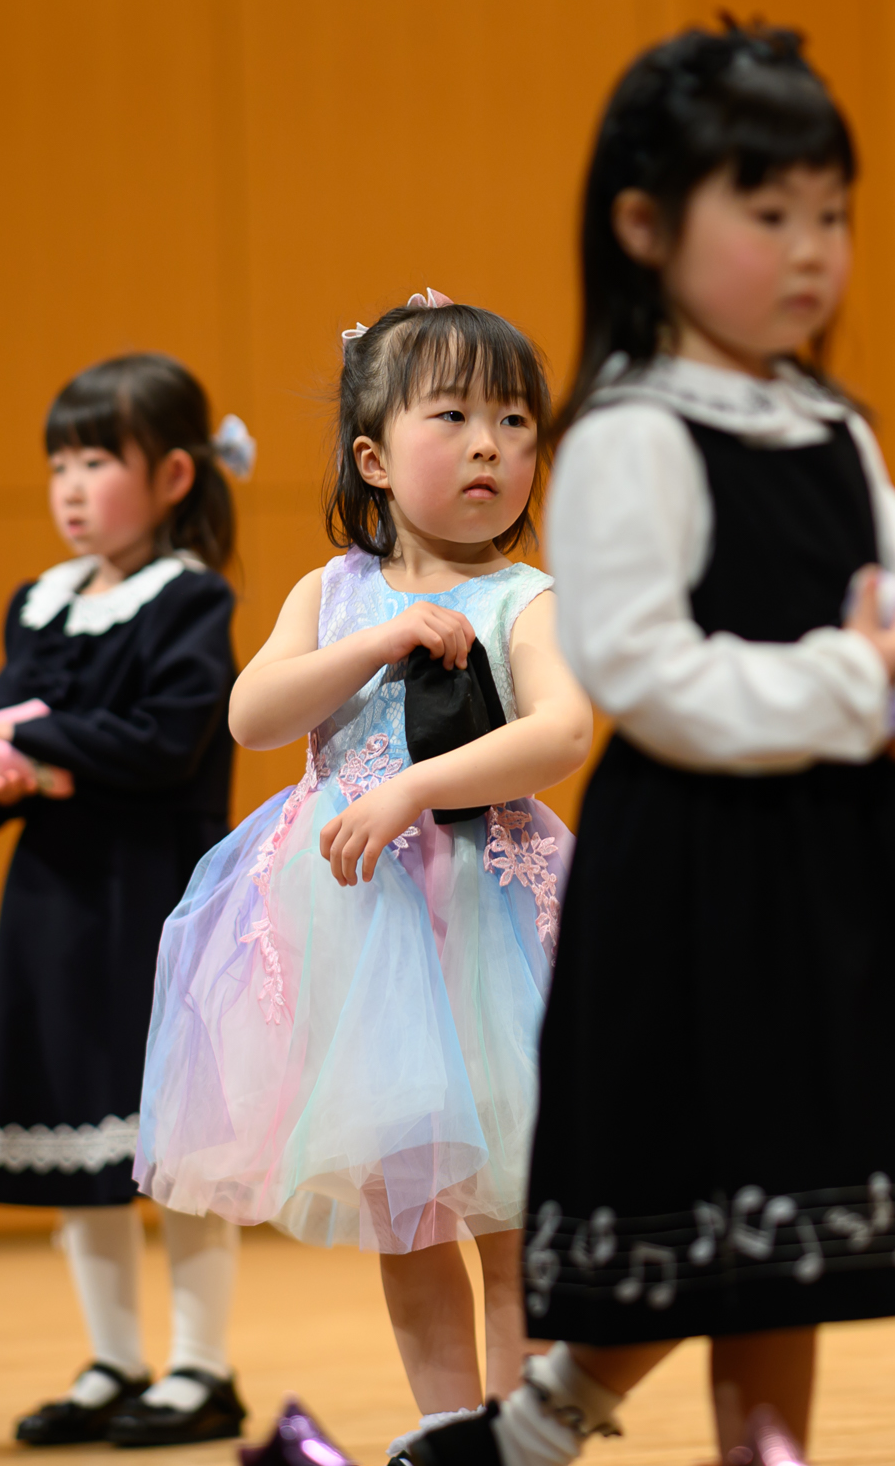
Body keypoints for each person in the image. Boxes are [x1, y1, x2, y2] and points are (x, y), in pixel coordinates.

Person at [409, 23, 895, 1466]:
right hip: (703, 877)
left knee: (791, 1228)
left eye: (829, 214)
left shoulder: (827, 422)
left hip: (838, 868)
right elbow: (654, 677)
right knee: (715, 1209)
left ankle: (541, 1434)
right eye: (767, 214)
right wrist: (866, 681)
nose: (810, 249)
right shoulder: (633, 432)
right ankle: (538, 1428)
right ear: (648, 227)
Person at [138, 295, 590, 1461]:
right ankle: (448, 1431)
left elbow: (560, 732)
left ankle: (523, 1436)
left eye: (513, 418)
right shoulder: (328, 591)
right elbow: (249, 715)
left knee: (510, 1215)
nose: (491, 442)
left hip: (484, 920)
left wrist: (411, 790)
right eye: (454, 414)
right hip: (358, 934)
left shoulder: (521, 595)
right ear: (374, 456)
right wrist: (380, 639)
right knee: (408, 1211)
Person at [0, 355, 255, 1450]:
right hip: (54, 905)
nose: (70, 485)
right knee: (73, 1134)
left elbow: (170, 737)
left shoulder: (190, 598)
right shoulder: (37, 599)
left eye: (95, 460)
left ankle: (201, 1366)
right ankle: (112, 1356)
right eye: (58, 463)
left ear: (174, 473)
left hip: (150, 905)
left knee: (168, 1139)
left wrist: (23, 745)